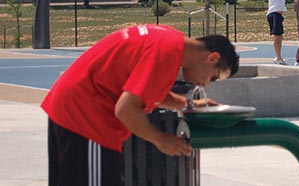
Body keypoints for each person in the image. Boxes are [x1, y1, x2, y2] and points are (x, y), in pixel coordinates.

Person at [41, 24, 239, 186]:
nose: (205, 84)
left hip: (70, 107)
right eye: (213, 77)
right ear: (212, 58)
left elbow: (147, 91)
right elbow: (126, 109)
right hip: (87, 117)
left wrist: (189, 104)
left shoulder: (169, 41)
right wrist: (161, 139)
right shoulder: (166, 54)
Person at [267, 0, 297, 65]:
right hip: (274, 14)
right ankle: (278, 58)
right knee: (277, 37)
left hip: (278, 15)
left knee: (279, 37)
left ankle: (278, 57)